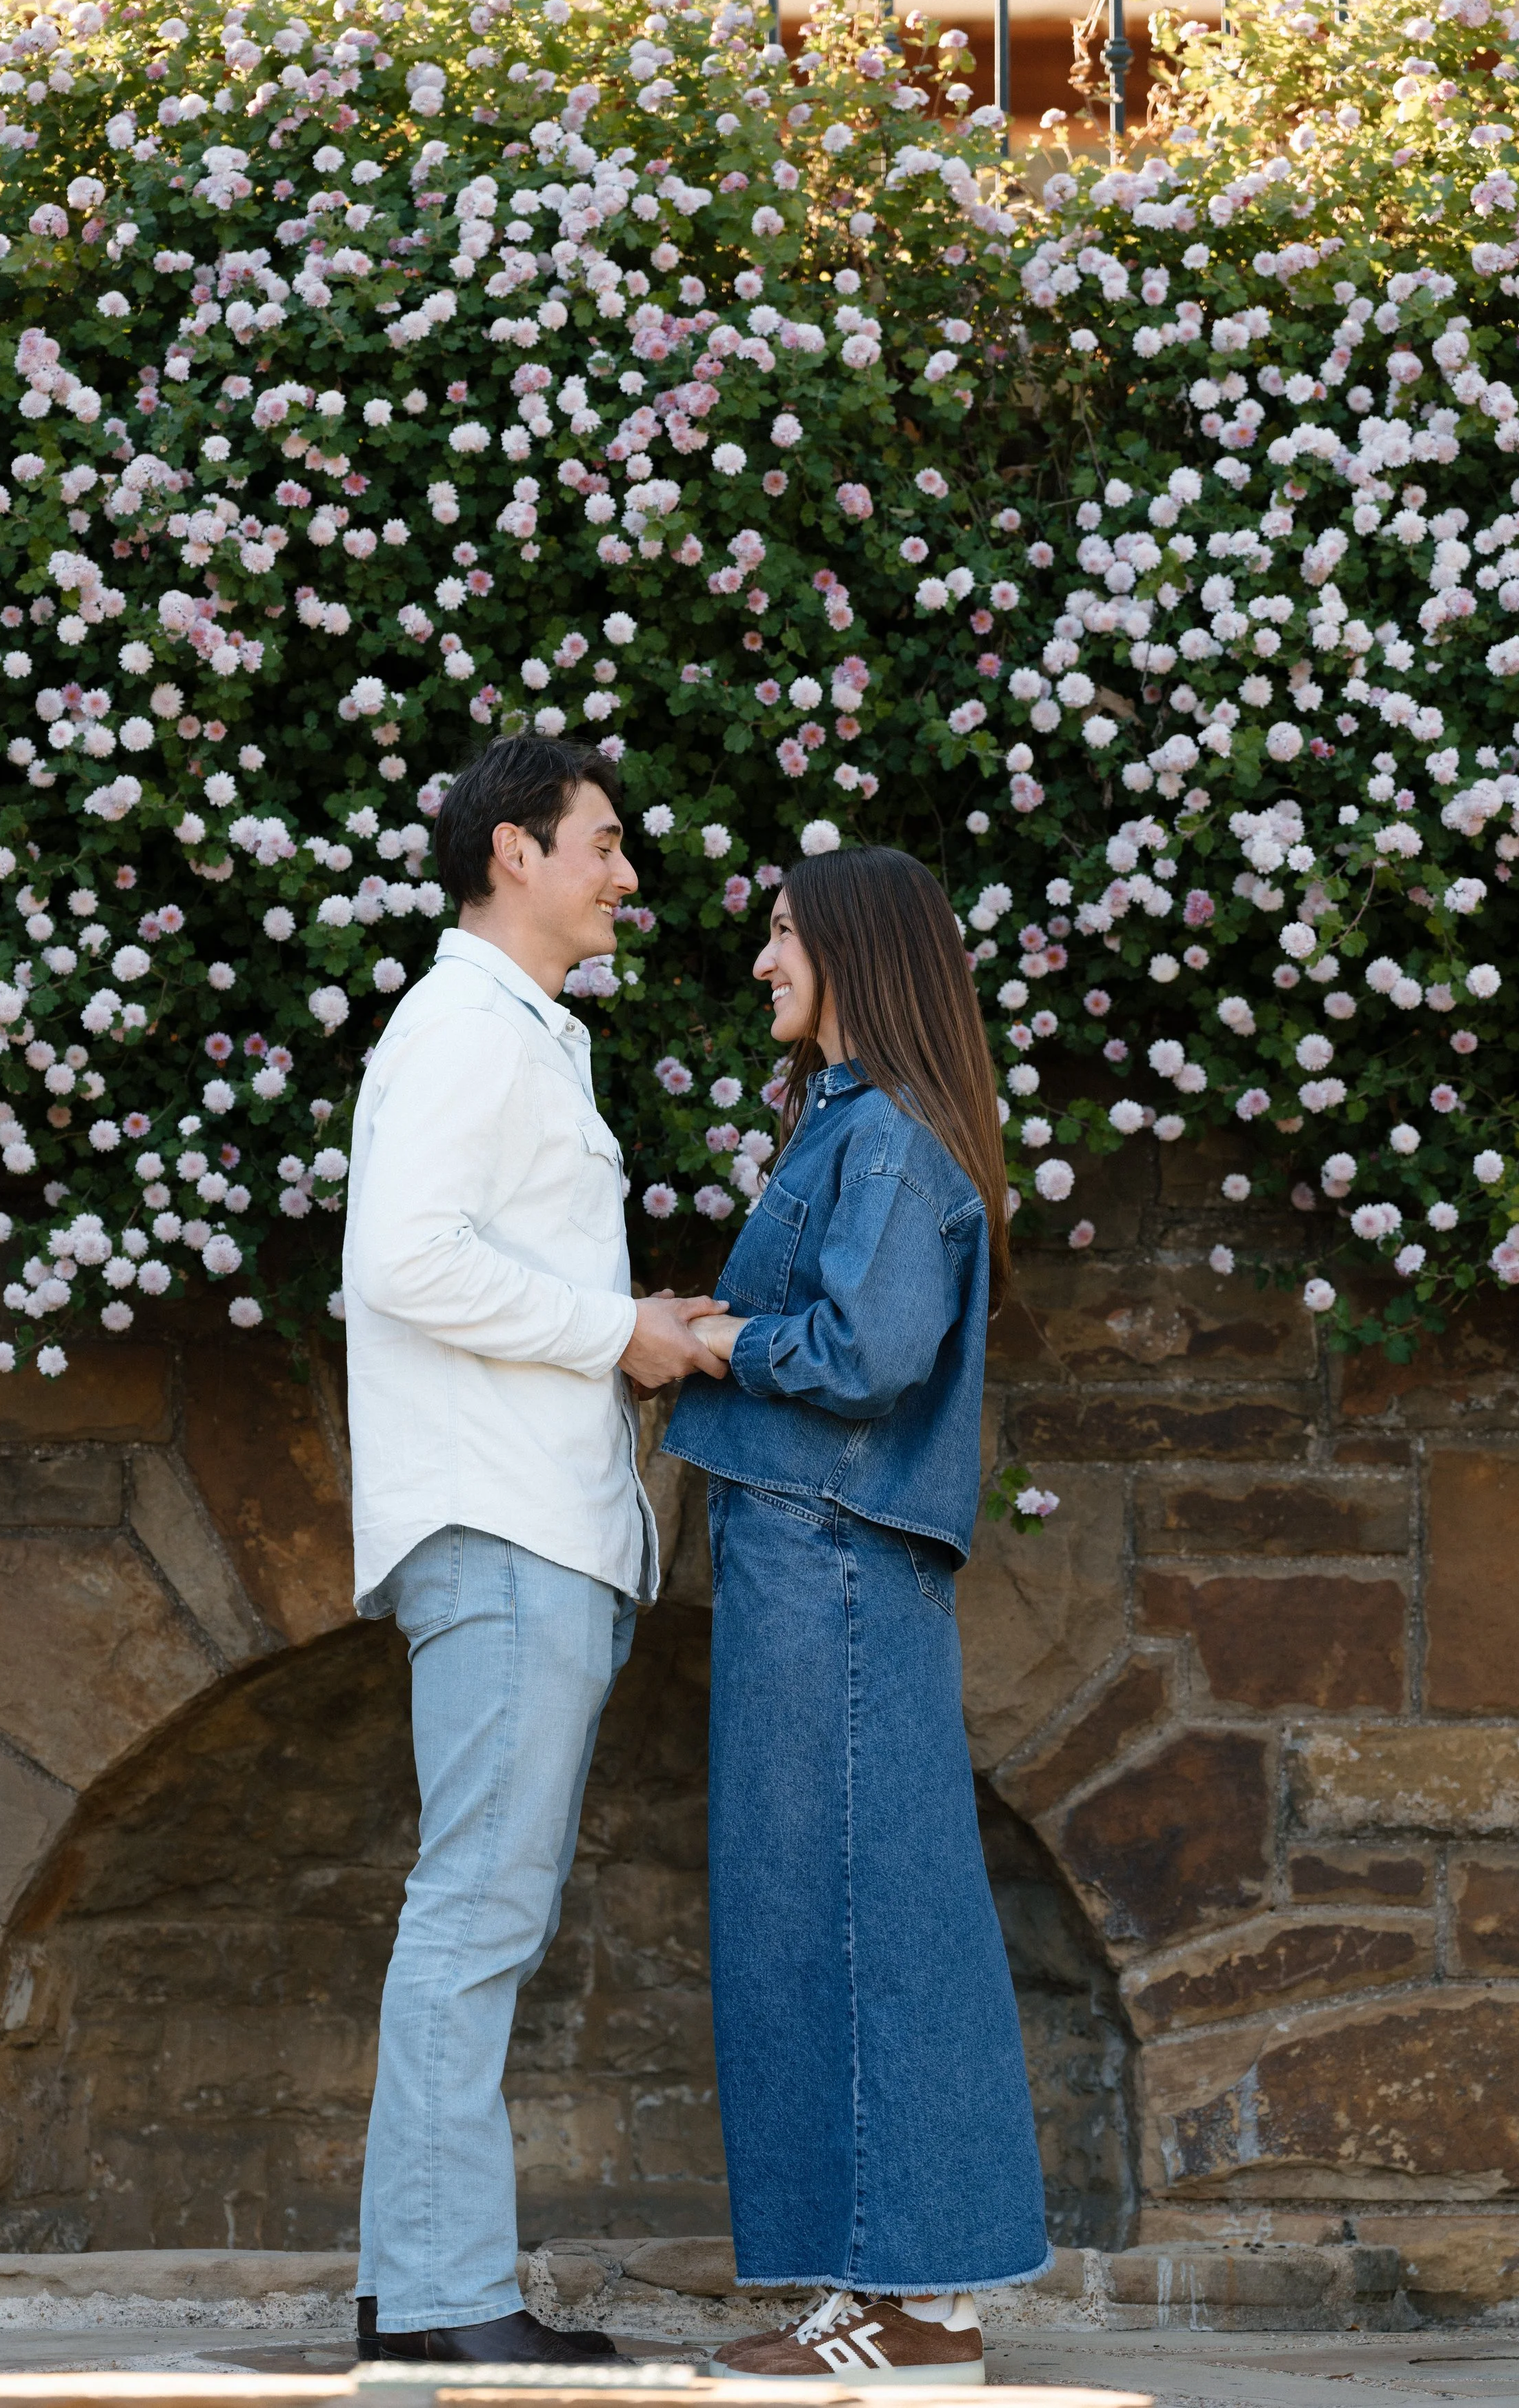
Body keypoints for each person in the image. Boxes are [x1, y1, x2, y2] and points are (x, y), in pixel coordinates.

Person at [341, 736, 726, 2365]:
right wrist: (614, 1332)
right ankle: (436, 2307)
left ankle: (422, 2291)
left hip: (539, 1531)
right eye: (603, 844)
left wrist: (628, 1334)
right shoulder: (460, 1029)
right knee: (474, 1917)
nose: (624, 874)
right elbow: (401, 1258)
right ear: (514, 852)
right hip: (498, 1530)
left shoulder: (522, 1036)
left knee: (483, 1912)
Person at [662, 844, 1050, 2387]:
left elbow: (868, 1352)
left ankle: (921, 2305)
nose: (761, 962)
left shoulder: (886, 1139)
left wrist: (713, 1339)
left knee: (864, 1918)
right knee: (806, 1918)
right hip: (806, 1555)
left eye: (781, 936)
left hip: (828, 1556)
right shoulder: (853, 1128)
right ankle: (872, 2285)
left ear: (854, 956)